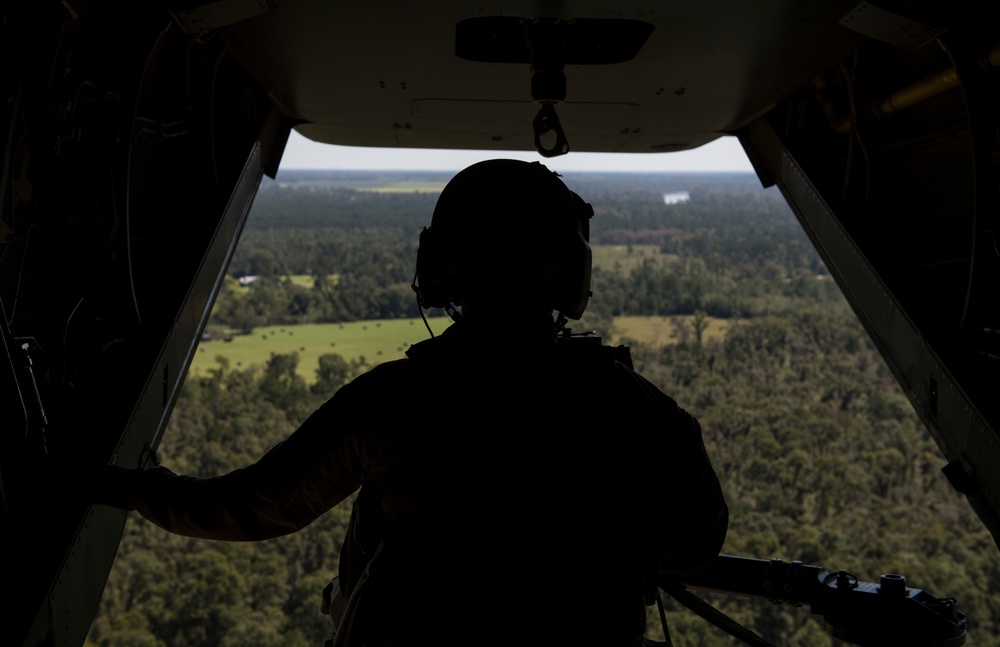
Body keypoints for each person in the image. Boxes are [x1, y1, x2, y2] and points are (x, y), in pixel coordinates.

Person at [91, 159, 729, 647]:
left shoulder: (395, 399)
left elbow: (256, 507)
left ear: (441, 266)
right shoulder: (630, 404)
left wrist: (131, 487)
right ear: (568, 270)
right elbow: (698, 537)